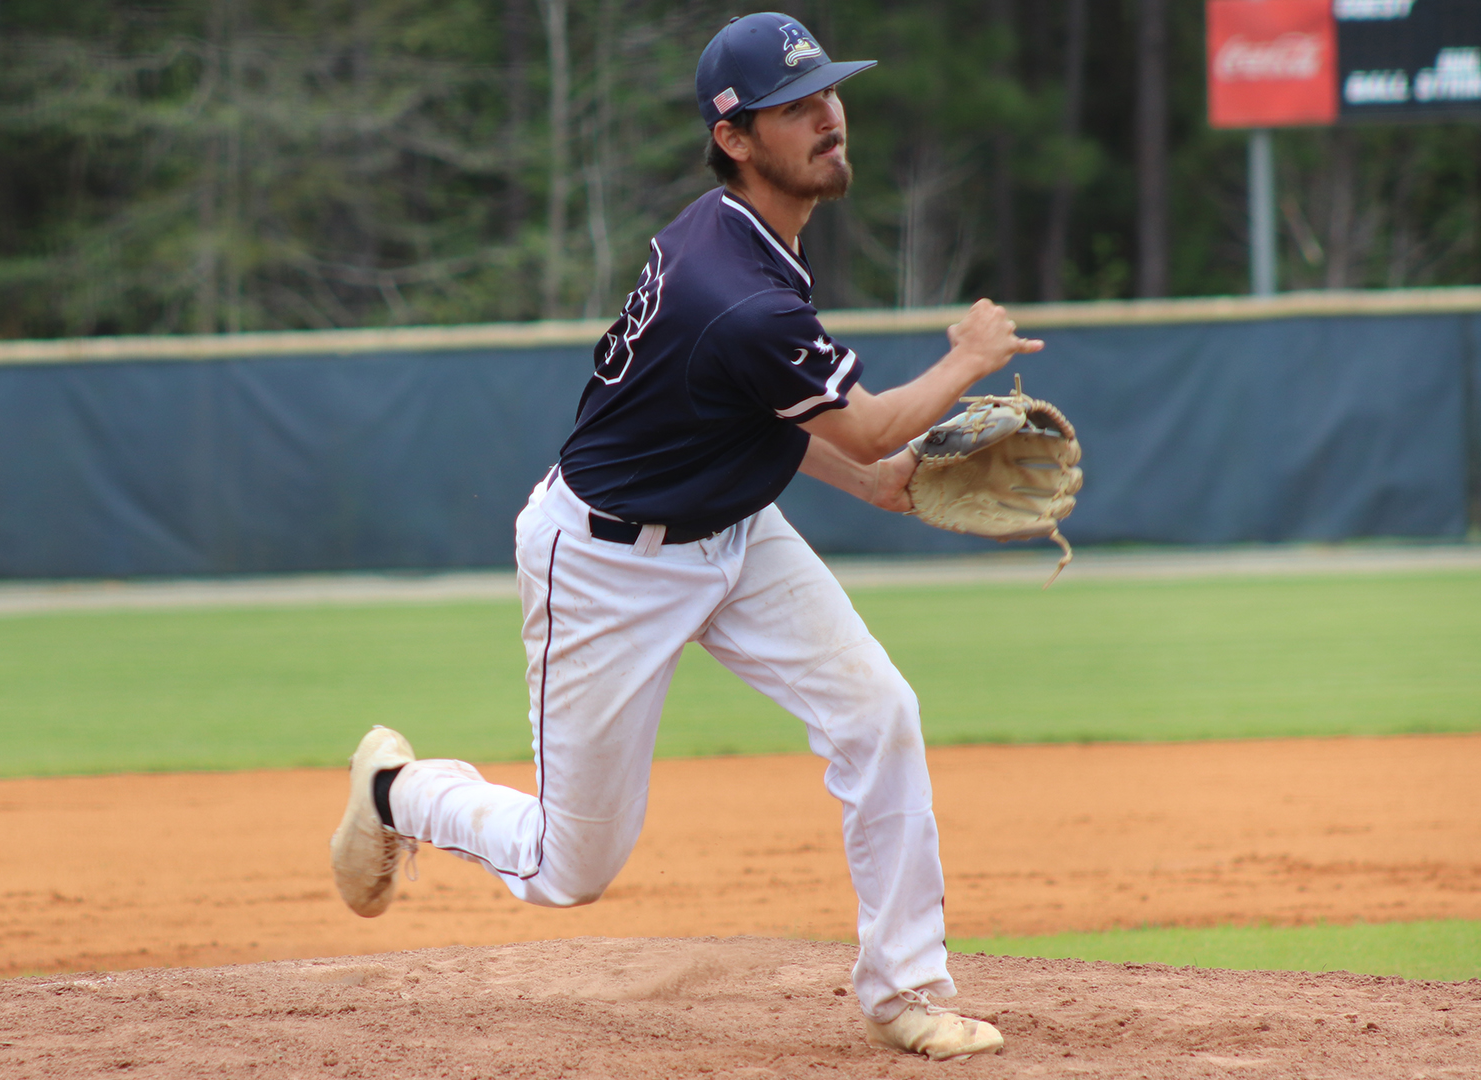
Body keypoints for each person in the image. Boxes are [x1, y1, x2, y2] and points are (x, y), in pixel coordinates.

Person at [329, 11, 1040, 1062]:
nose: (828, 117)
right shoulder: (737, 290)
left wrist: (875, 485)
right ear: (735, 138)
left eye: (829, 92)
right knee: (567, 869)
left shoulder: (742, 236)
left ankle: (905, 989)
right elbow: (862, 422)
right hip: (609, 565)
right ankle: (397, 793)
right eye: (794, 107)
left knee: (879, 711)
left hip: (733, 528)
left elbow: (771, 417)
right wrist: (967, 358)